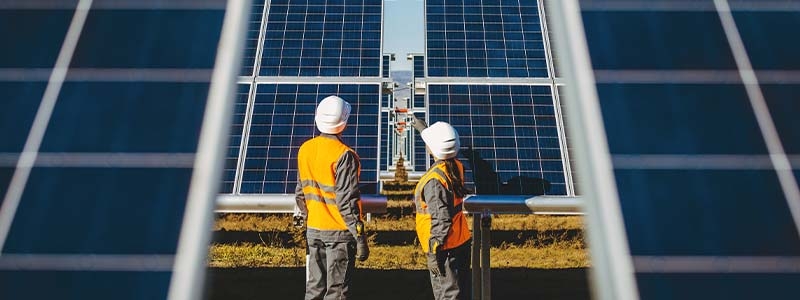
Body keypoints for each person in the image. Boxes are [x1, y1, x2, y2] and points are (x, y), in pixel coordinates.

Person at [295, 95, 369, 300]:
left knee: (314, 289)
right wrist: (360, 236)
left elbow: (300, 193)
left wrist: (308, 218)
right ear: (344, 122)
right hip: (339, 234)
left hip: (314, 231)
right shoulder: (344, 155)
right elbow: (347, 201)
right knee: (337, 292)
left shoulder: (305, 149)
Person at [412, 118, 472, 300]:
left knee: (448, 294)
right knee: (459, 291)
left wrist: (433, 251)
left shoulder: (434, 181)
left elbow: (441, 219)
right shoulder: (455, 167)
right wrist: (423, 129)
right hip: (459, 240)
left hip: (444, 249)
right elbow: (443, 145)